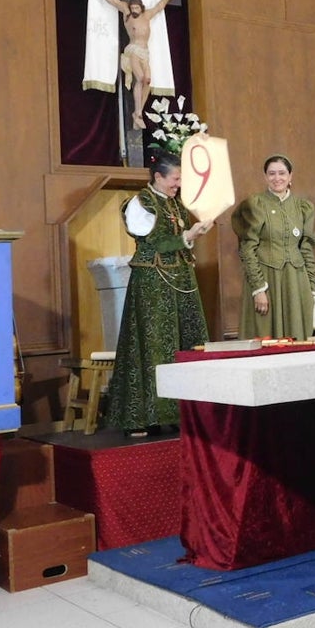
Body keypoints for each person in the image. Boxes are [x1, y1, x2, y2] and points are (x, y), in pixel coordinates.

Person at [107, 150, 212, 436]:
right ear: (158, 176)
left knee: (185, 343)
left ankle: (183, 412)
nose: (178, 184)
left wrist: (194, 233)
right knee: (154, 346)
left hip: (179, 281)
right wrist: (188, 236)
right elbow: (151, 244)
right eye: (175, 179)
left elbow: (177, 240)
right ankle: (146, 415)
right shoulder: (141, 203)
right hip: (153, 284)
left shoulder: (174, 204)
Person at [230, 154, 315, 340]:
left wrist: (310, 286)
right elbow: (247, 249)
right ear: (265, 177)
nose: (277, 178)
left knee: (297, 339)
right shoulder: (255, 205)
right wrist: (258, 288)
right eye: (271, 174)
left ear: (290, 176)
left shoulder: (303, 207)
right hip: (266, 279)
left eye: (282, 173)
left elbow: (306, 248)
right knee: (266, 336)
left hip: (295, 281)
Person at [81, 0, 176, 130]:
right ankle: (138, 114)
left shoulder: (147, 15)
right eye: (132, 8)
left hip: (145, 52)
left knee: (148, 80)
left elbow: (159, 7)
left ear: (141, 7)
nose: (134, 10)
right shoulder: (126, 14)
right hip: (133, 50)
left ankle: (138, 112)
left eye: (137, 8)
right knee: (140, 78)